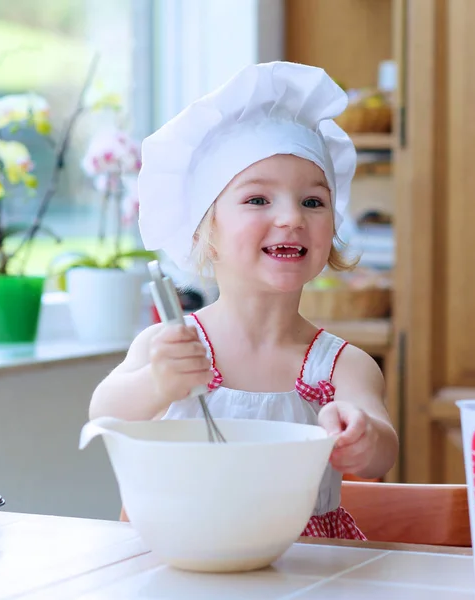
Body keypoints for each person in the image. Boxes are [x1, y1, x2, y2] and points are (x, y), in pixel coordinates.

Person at [90, 61, 398, 539]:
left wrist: (362, 435)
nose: (291, 217)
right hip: (186, 558)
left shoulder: (343, 367)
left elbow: (383, 449)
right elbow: (103, 416)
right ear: (206, 233)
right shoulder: (169, 345)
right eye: (258, 200)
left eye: (313, 202)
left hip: (305, 571)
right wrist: (157, 382)